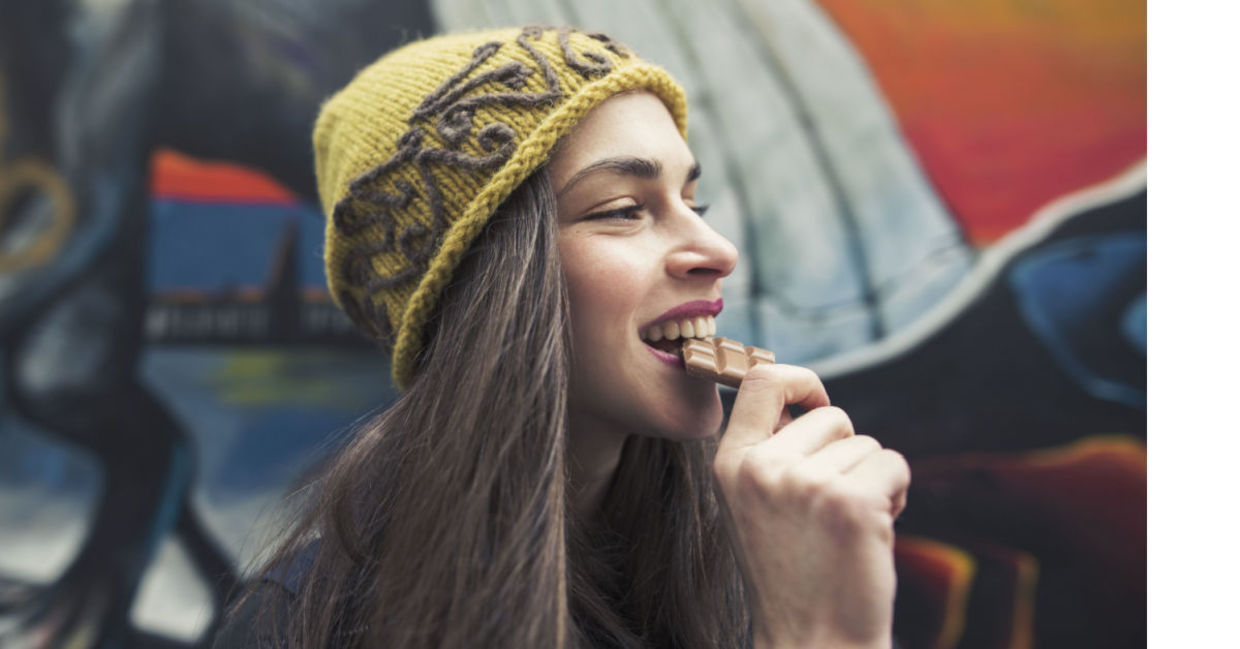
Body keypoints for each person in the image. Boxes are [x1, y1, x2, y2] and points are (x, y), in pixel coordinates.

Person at [210, 25, 910, 649]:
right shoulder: (301, 624)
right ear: (485, 288)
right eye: (623, 209)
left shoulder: (752, 565)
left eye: (693, 202)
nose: (717, 247)